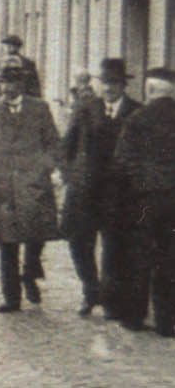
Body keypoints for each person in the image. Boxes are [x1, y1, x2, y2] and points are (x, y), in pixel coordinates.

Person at [0, 66, 61, 312]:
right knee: (6, 243)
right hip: (3, 187)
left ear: (22, 84)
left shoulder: (39, 109)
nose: (7, 88)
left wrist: (43, 168)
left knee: (36, 235)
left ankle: (30, 272)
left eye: (12, 82)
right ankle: (11, 298)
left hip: (33, 184)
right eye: (3, 83)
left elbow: (53, 143)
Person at [62, 58, 140, 322]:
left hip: (119, 192)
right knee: (79, 243)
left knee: (114, 246)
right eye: (105, 83)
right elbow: (68, 146)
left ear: (123, 85)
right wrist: (70, 176)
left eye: (114, 83)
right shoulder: (86, 108)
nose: (108, 89)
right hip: (84, 190)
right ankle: (90, 289)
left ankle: (109, 298)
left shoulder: (135, 112)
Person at [110, 66, 175, 335]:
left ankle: (134, 317)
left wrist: (137, 185)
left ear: (150, 91)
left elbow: (122, 161)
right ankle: (166, 322)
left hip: (144, 200)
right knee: (169, 260)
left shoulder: (137, 119)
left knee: (139, 257)